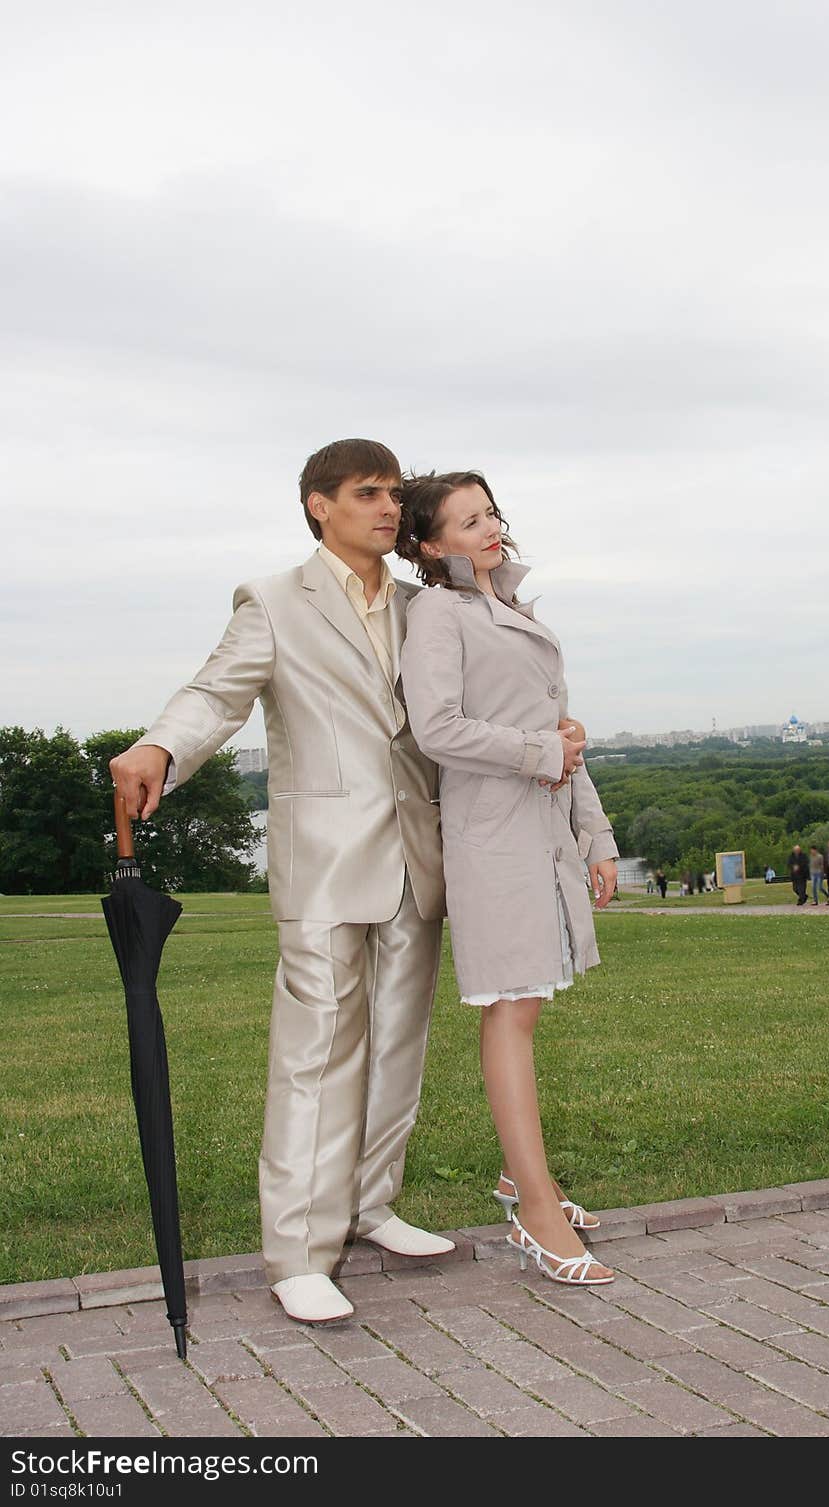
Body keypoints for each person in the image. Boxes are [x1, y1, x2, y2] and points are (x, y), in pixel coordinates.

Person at [108, 439, 460, 1326]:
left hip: (418, 856)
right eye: (366, 493)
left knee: (397, 1045)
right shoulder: (271, 600)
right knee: (316, 1053)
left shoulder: (425, 606)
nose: (387, 507)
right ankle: (299, 1249)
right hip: (325, 860)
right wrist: (160, 746)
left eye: (393, 494)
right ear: (318, 504)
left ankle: (370, 1207)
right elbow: (216, 694)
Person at [398, 469, 618, 1289]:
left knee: (527, 1003)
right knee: (511, 1008)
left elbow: (563, 737)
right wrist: (541, 753)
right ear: (428, 544)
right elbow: (439, 727)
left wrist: (597, 838)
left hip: (543, 833)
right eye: (465, 520)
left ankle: (524, 1178)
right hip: (491, 835)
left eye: (489, 511)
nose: (488, 527)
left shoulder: (516, 610)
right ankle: (534, 1206)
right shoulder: (438, 614)